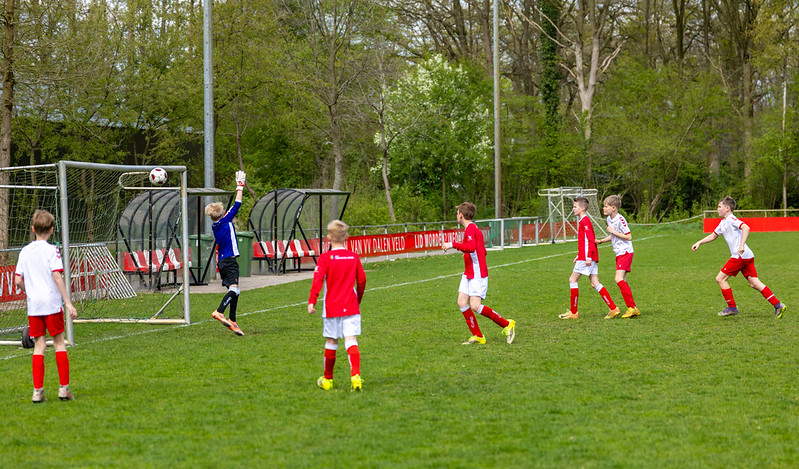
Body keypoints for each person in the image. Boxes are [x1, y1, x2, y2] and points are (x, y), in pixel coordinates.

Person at [14, 209, 79, 403]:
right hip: (51, 304)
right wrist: (68, 302)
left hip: (35, 306)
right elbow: (57, 276)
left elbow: (18, 280)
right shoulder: (52, 250)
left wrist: (30, 291)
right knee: (59, 343)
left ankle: (38, 391)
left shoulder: (25, 251)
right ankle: (63, 389)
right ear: (52, 230)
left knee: (39, 346)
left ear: (33, 229)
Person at [691, 196, 787, 318]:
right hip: (747, 255)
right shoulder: (723, 222)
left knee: (720, 279)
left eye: (719, 207)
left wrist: (741, 245)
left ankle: (732, 308)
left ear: (727, 208)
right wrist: (699, 242)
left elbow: (746, 227)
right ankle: (778, 305)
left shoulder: (731, 219)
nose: (717, 209)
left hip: (740, 255)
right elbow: (713, 236)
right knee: (754, 283)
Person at [442, 202, 516, 345]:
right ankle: (478, 335)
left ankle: (507, 324)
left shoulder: (471, 229)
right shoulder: (474, 229)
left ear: (461, 215)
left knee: (475, 306)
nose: (457, 215)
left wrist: (452, 244)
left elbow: (470, 247)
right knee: (462, 302)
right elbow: (481, 250)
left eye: (457, 213)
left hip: (477, 274)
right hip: (469, 272)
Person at [308, 220, 367, 391]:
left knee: (331, 341)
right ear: (347, 237)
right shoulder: (353, 257)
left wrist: (312, 301)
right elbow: (362, 280)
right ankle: (355, 377)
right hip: (351, 306)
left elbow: (317, 280)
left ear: (328, 237)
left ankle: (328, 380)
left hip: (331, 307)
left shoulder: (325, 258)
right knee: (351, 340)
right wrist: (358, 299)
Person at [559, 197, 620, 320]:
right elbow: (584, 242)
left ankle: (573, 312)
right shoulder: (583, 221)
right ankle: (613, 308)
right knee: (594, 283)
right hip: (587, 256)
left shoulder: (585, 221)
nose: (573, 209)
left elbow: (590, 240)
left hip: (587, 257)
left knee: (572, 280)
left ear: (582, 208)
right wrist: (579, 254)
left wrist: (587, 257)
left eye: (575, 206)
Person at [206, 170, 247, 336]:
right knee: (234, 289)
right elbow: (237, 204)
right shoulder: (225, 221)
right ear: (222, 214)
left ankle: (233, 321)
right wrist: (240, 185)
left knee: (235, 290)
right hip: (229, 261)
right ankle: (219, 311)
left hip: (223, 262)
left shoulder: (217, 224)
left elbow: (231, 208)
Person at [596, 195, 641, 319]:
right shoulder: (609, 219)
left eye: (605, 206)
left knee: (618, 279)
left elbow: (628, 236)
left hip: (625, 252)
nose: (603, 209)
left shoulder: (620, 219)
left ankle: (632, 307)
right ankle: (633, 308)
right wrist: (601, 241)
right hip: (619, 253)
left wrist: (613, 231)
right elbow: (614, 236)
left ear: (613, 208)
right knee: (622, 281)